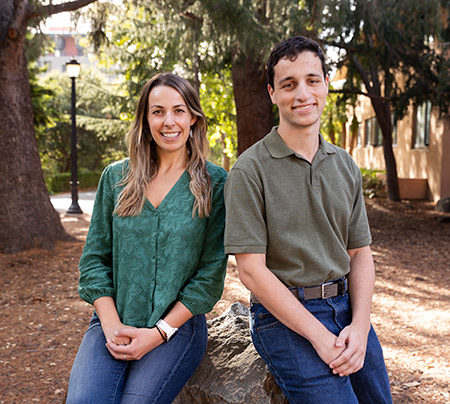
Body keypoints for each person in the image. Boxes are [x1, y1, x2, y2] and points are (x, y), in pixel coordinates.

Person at [224, 36, 393, 404]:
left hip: (347, 307)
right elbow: (251, 271)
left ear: (326, 86)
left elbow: (360, 254)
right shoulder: (249, 170)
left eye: (312, 80)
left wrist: (360, 325)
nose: (302, 94)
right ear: (272, 93)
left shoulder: (345, 165)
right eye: (289, 84)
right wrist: (319, 336)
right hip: (284, 317)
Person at [66, 73, 228, 404]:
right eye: (158, 111)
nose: (169, 121)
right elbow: (95, 260)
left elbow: (211, 274)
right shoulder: (116, 178)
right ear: (145, 119)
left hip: (176, 329)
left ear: (193, 118)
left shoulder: (216, 183)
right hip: (112, 320)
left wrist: (157, 334)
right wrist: (112, 326)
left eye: (179, 110)